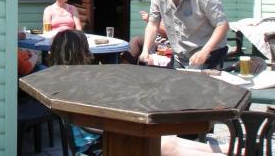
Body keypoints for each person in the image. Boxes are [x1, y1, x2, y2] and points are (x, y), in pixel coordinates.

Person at [50, 29, 228, 156]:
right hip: (97, 144)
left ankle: (230, 150)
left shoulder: (64, 79)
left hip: (103, 136)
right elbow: (92, 124)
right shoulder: (78, 84)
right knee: (163, 144)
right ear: (82, 51)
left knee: (166, 140)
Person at [139, 0, 230, 69]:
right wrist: (145, 51)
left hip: (208, 49)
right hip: (180, 53)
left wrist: (204, 52)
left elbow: (223, 25)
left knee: (194, 84)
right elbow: (153, 24)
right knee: (174, 83)